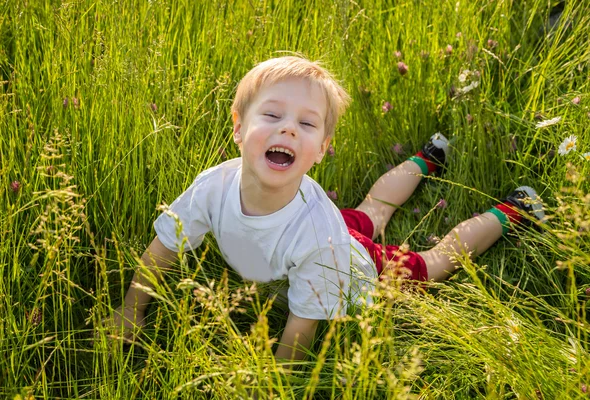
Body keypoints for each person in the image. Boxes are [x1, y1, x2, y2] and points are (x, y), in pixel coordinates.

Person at [101, 56, 545, 362]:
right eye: (272, 116)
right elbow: (162, 248)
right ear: (238, 128)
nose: (289, 129)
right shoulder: (213, 187)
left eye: (307, 123)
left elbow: (299, 332)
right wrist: (130, 309)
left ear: (321, 150)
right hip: (329, 229)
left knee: (433, 263)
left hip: (353, 264)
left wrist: (273, 379)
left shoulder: (316, 239)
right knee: (372, 209)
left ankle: (514, 209)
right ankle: (428, 157)